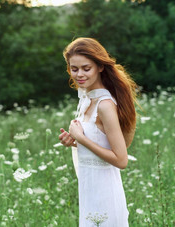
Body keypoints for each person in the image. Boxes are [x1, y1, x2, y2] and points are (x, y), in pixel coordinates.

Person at [59, 37, 138, 226]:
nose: (79, 74)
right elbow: (100, 142)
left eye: (86, 68)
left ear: (100, 67)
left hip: (106, 195)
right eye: (74, 68)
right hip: (89, 191)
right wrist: (74, 141)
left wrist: (82, 139)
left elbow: (121, 160)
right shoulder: (86, 99)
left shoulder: (105, 105)